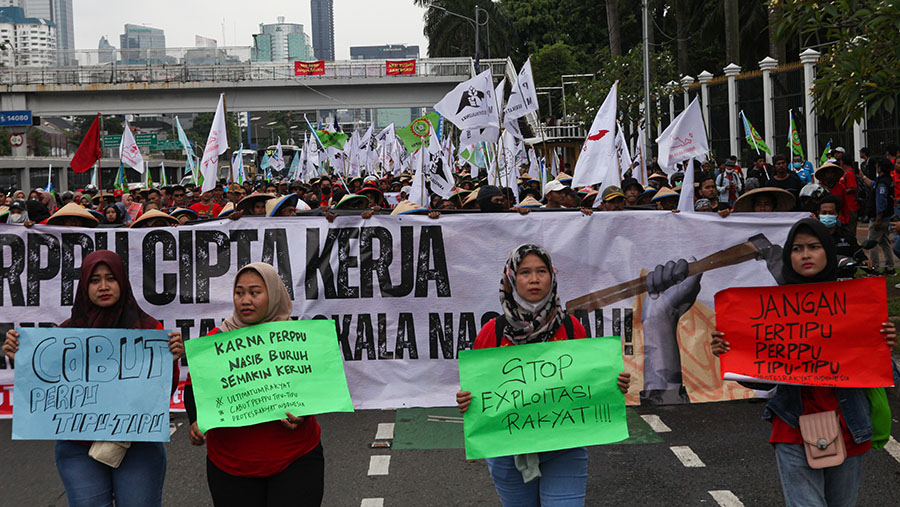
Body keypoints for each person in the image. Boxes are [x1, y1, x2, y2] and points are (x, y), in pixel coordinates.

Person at [711, 218, 896, 507]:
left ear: (828, 252)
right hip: (792, 427)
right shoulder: (771, 308)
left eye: (814, 247)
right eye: (797, 248)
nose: (805, 255)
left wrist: (886, 346)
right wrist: (731, 352)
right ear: (788, 256)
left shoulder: (856, 305)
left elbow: (886, 376)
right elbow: (761, 376)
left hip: (849, 427)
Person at [2, 250, 184, 506]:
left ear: (123, 281)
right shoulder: (64, 335)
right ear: (84, 286)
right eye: (94, 280)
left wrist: (172, 359)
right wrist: (20, 357)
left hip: (137, 444)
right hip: (78, 445)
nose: (104, 286)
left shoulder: (149, 329)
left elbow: (163, 392)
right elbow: (42, 388)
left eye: (111, 278)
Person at [455, 244, 630, 506]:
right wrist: (466, 401)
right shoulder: (493, 331)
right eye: (525, 272)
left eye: (541, 271)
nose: (534, 279)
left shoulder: (572, 328)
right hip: (507, 450)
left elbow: (589, 382)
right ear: (512, 279)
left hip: (566, 446)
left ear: (552, 277)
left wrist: (613, 384)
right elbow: (478, 389)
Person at [184, 263, 324, 507]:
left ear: (273, 294)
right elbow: (193, 387)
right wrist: (195, 421)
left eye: (255, 292)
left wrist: (304, 411)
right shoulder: (216, 341)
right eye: (239, 293)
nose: (245, 300)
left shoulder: (298, 340)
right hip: (230, 467)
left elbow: (318, 387)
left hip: (295, 460)